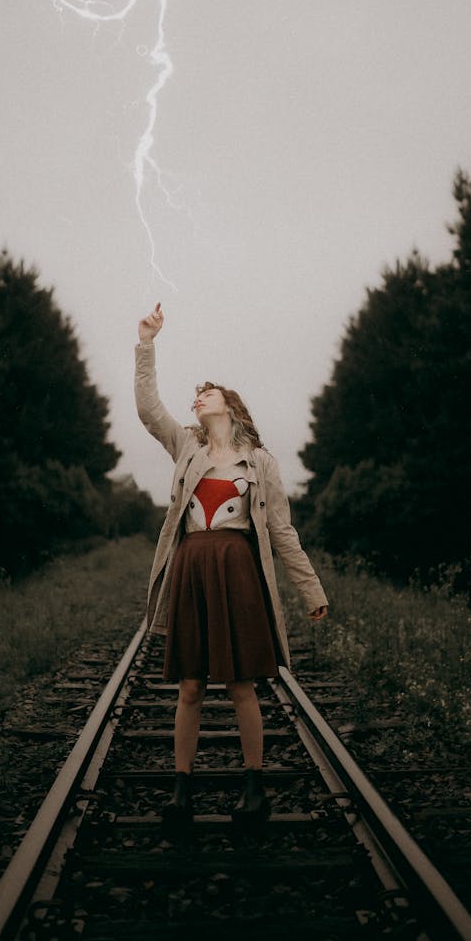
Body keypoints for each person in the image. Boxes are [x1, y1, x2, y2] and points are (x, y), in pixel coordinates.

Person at [135, 302, 328, 829]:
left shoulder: (260, 462)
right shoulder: (186, 448)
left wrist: (311, 590)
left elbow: (282, 531)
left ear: (231, 406)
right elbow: (150, 410)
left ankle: (254, 788)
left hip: (238, 568)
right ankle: (181, 791)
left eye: (208, 392)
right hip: (194, 568)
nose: (198, 398)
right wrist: (146, 344)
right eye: (196, 395)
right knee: (191, 685)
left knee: (243, 684)